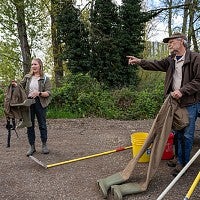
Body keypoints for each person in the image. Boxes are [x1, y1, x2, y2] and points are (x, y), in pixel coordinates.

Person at [127, 32, 200, 176]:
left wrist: (183, 91)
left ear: (182, 42)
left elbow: (199, 80)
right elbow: (157, 64)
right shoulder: (172, 59)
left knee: (187, 134)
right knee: (178, 132)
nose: (169, 44)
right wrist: (140, 61)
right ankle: (178, 157)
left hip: (190, 102)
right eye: (168, 42)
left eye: (171, 42)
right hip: (175, 102)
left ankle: (183, 164)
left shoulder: (196, 58)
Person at [19, 58, 52, 156]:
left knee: (42, 124)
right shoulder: (28, 77)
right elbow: (20, 87)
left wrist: (39, 93)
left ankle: (44, 145)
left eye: (35, 64)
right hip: (29, 102)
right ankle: (32, 147)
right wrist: (15, 84)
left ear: (40, 65)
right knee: (30, 125)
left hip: (40, 102)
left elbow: (49, 93)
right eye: (32, 64)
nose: (33, 66)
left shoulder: (45, 78)